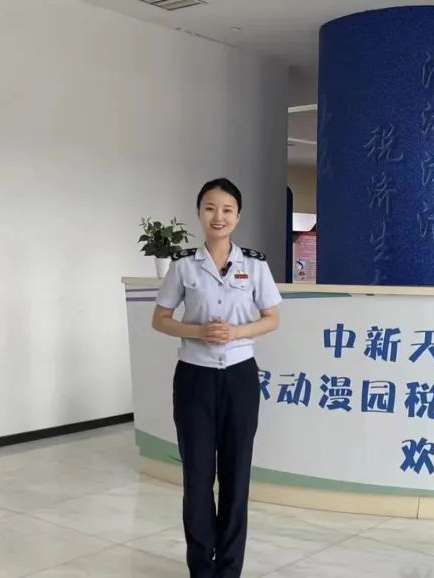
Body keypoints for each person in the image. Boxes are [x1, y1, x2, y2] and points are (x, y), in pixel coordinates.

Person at [151, 178, 282, 578]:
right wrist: (198, 331)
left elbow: (271, 318)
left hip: (240, 378)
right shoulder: (183, 265)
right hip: (194, 379)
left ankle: (229, 569)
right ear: (199, 213)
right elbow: (160, 319)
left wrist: (237, 332)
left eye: (227, 209)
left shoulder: (255, 265)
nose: (218, 216)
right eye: (210, 208)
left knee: (236, 475)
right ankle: (200, 568)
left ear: (238, 216)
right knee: (197, 476)